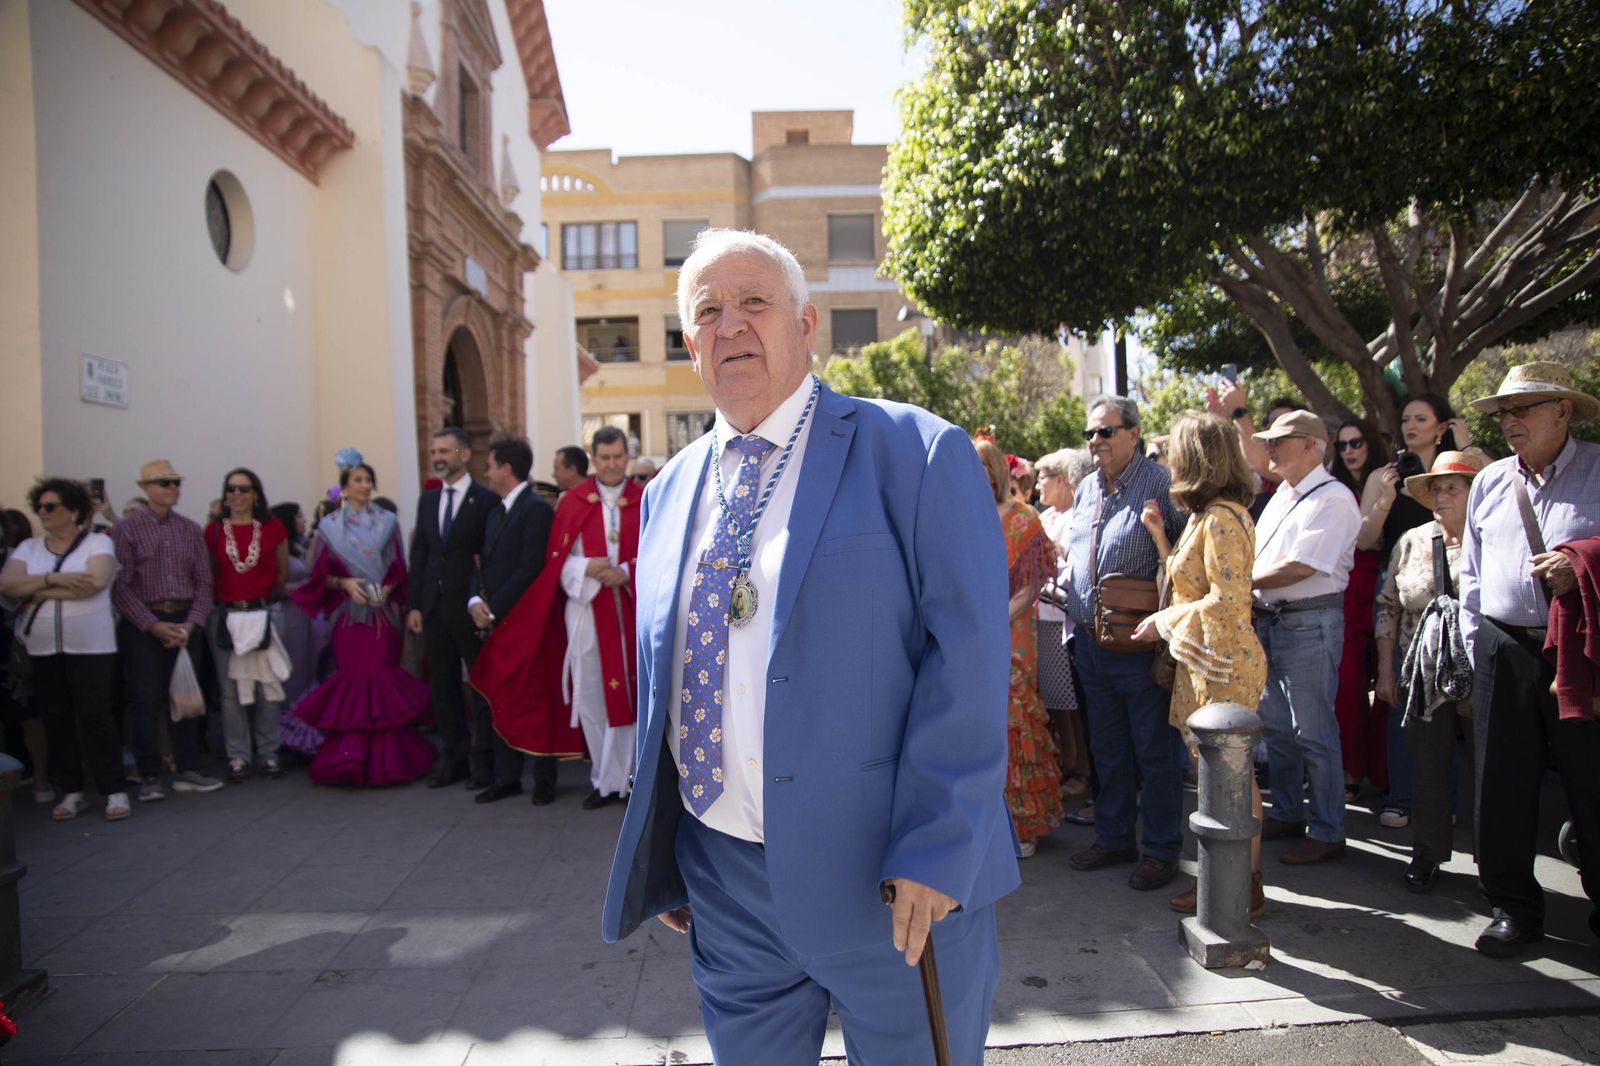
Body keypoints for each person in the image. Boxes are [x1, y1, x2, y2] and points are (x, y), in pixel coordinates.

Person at [601, 229, 1016, 1064]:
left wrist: (939, 846)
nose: (732, 326)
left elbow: (968, 663)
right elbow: (669, 682)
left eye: (755, 302)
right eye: (709, 313)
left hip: (892, 885)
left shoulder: (917, 453)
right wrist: (673, 851)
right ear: (691, 346)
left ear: (807, 322)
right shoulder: (669, 491)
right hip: (724, 885)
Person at [1458, 362, 1600, 958]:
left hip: (1579, 649)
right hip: (1504, 647)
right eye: (1504, 413)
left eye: (1524, 409)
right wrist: (1475, 643)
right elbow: (1469, 571)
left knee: (1592, 783)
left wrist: (1583, 566)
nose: (1509, 422)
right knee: (1502, 785)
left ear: (1563, 410)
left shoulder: (1598, 468)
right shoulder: (1490, 481)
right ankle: (1512, 907)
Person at [1128, 413, 1268, 915]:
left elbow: (1229, 600)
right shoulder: (1206, 516)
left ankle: (1243, 885)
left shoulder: (1223, 517)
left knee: (1232, 778)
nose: (1164, 461)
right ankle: (1224, 880)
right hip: (1205, 660)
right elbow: (1194, 586)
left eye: (1172, 452)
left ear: (1197, 458)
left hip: (1224, 663)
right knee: (1214, 780)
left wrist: (1162, 622)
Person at [475, 426, 642, 808]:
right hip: (587, 614)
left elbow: (663, 553)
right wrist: (585, 567)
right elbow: (555, 562)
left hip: (632, 612)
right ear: (593, 458)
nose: (612, 465)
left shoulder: (646, 497)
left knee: (633, 698)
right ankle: (603, 780)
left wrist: (627, 572)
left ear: (626, 458)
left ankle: (631, 779)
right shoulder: (572, 502)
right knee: (591, 696)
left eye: (618, 457)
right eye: (605, 458)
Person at [1064, 395, 1186, 891]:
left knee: (1154, 751)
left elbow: (1181, 560)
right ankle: (1115, 837)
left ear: (1134, 435)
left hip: (1140, 645)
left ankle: (1160, 848)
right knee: (1107, 748)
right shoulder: (1086, 488)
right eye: (1091, 434)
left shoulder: (1161, 485)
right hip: (1092, 643)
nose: (1096, 442)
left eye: (1106, 432)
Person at [1251, 411, 1361, 864]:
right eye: (1269, 440)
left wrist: (1241, 581)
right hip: (1274, 619)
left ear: (1313, 445)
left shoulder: (1335, 498)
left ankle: (1329, 829)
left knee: (1312, 731)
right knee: (1277, 727)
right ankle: (1292, 812)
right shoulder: (1284, 495)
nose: (1271, 448)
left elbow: (1302, 566)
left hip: (1307, 620)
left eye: (1282, 440)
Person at [1359, 393, 1472, 829]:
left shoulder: (1463, 469)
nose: (1410, 425)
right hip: (1403, 582)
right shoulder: (1385, 475)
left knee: (1456, 709)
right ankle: (1402, 797)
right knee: (1399, 696)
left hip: (1459, 584)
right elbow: (1365, 540)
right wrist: (1386, 498)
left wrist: (1465, 445)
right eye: (1405, 418)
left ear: (1441, 426)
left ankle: (1455, 802)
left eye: (1421, 418)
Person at [1375, 450, 1485, 894]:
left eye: (1451, 487)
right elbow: (1387, 608)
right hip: (1420, 674)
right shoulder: (1412, 540)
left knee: (1488, 771)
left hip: (1481, 672)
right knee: (1427, 768)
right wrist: (1385, 673)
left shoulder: (1491, 538)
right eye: (1435, 488)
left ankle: (1496, 866)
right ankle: (1427, 853)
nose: (1441, 495)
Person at [292, 462, 435, 786]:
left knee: (380, 681)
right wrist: (343, 584)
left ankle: (389, 759)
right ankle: (351, 757)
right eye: (358, 479)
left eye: (369, 479)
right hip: (348, 616)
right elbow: (317, 575)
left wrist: (389, 587)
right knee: (354, 681)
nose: (365, 485)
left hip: (381, 617)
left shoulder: (387, 522)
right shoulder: (328, 527)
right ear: (344, 486)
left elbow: (400, 564)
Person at [0, 479, 127, 821]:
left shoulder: (98, 543)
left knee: (95, 716)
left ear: (72, 511)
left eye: (50, 506)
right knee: (56, 717)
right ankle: (71, 790)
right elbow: (7, 585)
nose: (43, 513)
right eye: (39, 506)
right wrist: (53, 581)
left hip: (91, 645)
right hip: (43, 647)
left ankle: (113, 789)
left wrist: (34, 590)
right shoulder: (28, 548)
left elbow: (94, 583)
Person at [111, 459, 223, 801]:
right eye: (163, 483)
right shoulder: (126, 530)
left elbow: (204, 582)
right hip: (144, 623)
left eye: (175, 482)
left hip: (185, 619)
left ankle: (187, 768)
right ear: (146, 488)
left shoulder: (189, 529)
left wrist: (192, 623)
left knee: (187, 697)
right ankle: (149, 774)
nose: (172, 488)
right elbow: (120, 587)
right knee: (145, 700)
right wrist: (153, 625)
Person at [976, 439, 1062, 857]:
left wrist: (995, 616)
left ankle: (1023, 826)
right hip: (972, 635)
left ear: (996, 472)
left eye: (981, 468)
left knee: (1014, 721)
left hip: (1011, 632)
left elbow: (1032, 586)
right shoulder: (964, 518)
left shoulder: (1024, 517)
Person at [464, 438, 556, 804]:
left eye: (489, 464)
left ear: (505, 468)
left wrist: (494, 607)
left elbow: (530, 567)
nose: (486, 471)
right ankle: (507, 776)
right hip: (497, 620)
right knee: (499, 696)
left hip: (524, 621)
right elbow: (481, 563)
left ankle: (544, 778)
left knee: (533, 696)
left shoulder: (535, 509)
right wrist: (475, 599)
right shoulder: (496, 511)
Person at [406, 427, 494, 787]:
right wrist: (414, 605)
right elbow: (420, 556)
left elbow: (487, 558)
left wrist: (482, 601)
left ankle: (484, 763)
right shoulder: (427, 500)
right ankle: (453, 758)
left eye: (444, 450)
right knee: (442, 687)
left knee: (480, 686)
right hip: (434, 609)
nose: (437, 457)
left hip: (469, 609)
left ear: (464, 454)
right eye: (434, 451)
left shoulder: (485, 500)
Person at [203, 468, 290, 783]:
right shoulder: (213, 531)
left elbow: (281, 572)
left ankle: (269, 753)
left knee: (266, 685)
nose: (237, 495)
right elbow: (208, 573)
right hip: (225, 615)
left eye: (244, 488)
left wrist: (266, 598)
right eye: (231, 489)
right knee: (230, 690)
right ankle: (238, 756)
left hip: (264, 611)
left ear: (256, 494)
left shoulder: (272, 527)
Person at [1331, 420, 1393, 804]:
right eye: (1342, 445)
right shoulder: (1332, 488)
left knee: (1388, 684)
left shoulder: (1388, 478)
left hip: (1382, 581)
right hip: (1348, 587)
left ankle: (1385, 774)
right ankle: (1351, 768)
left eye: (1356, 442)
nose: (1349, 450)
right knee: (1348, 683)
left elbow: (1371, 538)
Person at [1034, 448, 1094, 807]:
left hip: (1063, 620)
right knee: (1057, 702)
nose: (1039, 483)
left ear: (1064, 480)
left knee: (1071, 703)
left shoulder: (1076, 518)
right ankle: (1071, 763)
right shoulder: (1048, 516)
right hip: (1043, 619)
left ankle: (1083, 769)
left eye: (1046, 476)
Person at [0, 507, 51, 804]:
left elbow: (24, 591)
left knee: (29, 715)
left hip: (13, 646)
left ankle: (41, 780)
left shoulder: (17, 557)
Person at [271, 501, 326, 756]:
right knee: (292, 673)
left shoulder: (299, 545)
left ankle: (305, 732)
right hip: (290, 614)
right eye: (299, 516)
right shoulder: (280, 548)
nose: (303, 520)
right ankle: (288, 734)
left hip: (305, 616)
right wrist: (303, 588)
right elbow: (276, 586)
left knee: (307, 669)